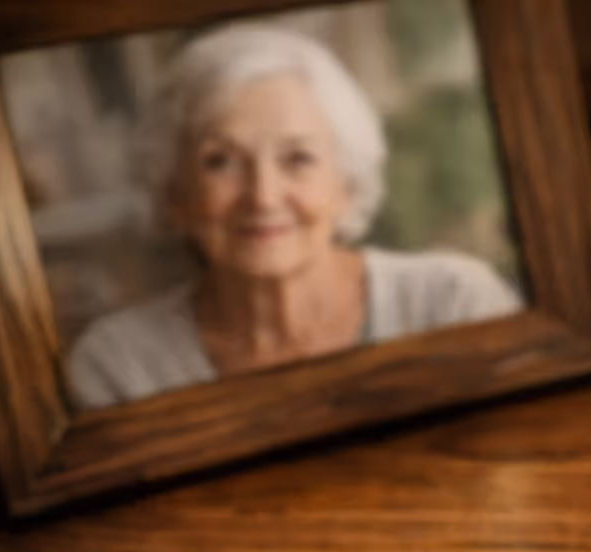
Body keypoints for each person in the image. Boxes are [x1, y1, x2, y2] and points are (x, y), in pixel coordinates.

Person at [65, 23, 520, 411]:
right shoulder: (118, 367)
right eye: (219, 161)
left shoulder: (454, 304)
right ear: (173, 193)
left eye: (298, 158)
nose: (262, 197)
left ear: (347, 182)